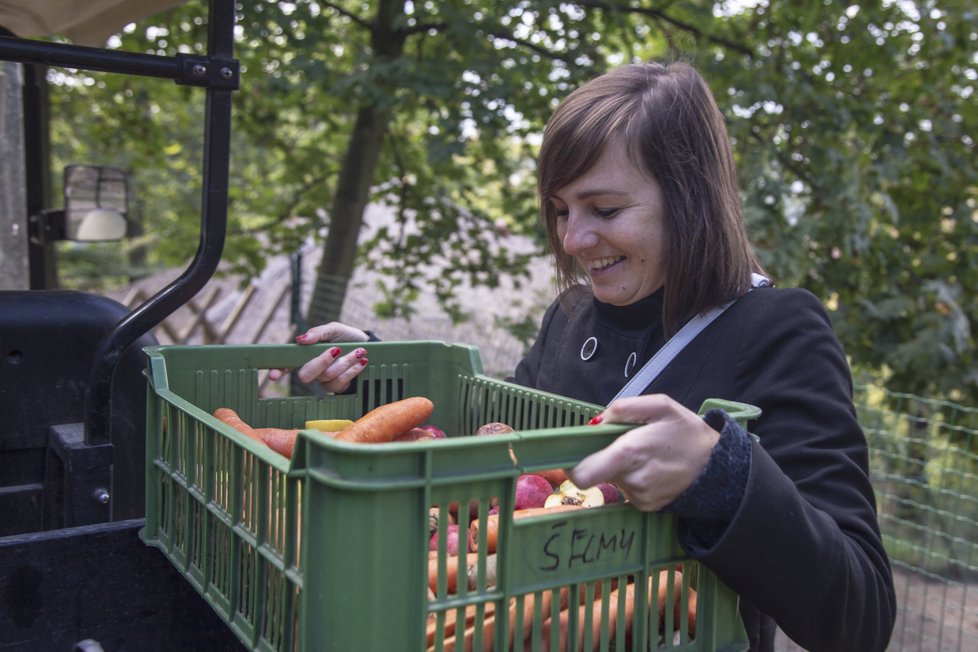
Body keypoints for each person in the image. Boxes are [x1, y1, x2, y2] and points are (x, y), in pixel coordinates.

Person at [272, 60, 896, 652]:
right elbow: (494, 459)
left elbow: (859, 616)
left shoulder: (777, 329)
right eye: (561, 210)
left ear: (691, 198)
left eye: (605, 209)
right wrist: (380, 383)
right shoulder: (569, 317)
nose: (573, 240)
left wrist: (721, 475)